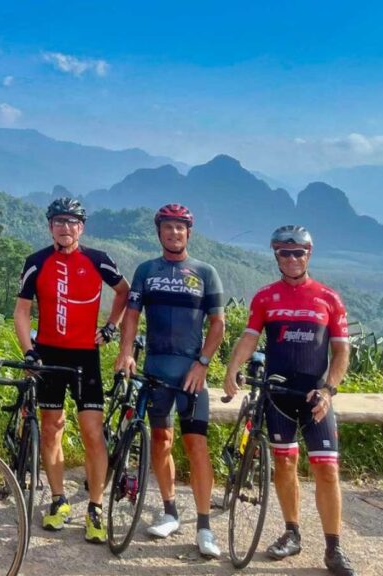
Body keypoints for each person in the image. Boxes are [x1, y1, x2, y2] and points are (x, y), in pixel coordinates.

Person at [223, 225, 355, 576]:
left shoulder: (329, 298)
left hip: (315, 395)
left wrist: (328, 389)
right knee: (284, 464)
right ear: (276, 256)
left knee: (327, 470)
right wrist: (232, 368)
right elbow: (250, 337)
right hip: (278, 394)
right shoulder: (266, 297)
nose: (292, 258)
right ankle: (292, 532)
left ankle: (333, 548)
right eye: (285, 252)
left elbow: (341, 352)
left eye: (299, 252)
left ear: (309, 254)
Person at [14, 197, 129, 543]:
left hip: (86, 356)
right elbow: (21, 311)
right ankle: (59, 498)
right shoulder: (36, 262)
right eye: (59, 221)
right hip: (48, 355)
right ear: (50, 226)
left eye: (72, 222)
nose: (65, 227)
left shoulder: (98, 260)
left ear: (82, 227)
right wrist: (29, 351)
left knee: (92, 432)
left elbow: (124, 293)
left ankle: (95, 505)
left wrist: (110, 328)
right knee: (51, 428)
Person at [114, 204, 226, 558]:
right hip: (156, 370)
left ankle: (205, 526)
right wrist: (126, 352)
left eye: (180, 228)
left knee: (196, 446)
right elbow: (131, 316)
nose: (174, 233)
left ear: (188, 233)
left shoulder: (205, 272)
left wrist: (203, 364)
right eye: (168, 228)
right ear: (159, 232)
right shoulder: (146, 270)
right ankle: (170, 511)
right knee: (161, 440)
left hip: (191, 374)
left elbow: (218, 325)